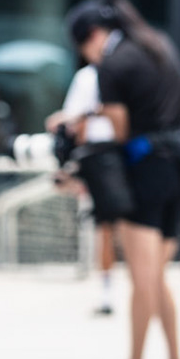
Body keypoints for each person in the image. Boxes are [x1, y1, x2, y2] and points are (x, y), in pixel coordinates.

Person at [64, 0, 180, 359]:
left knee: (142, 277)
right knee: (156, 275)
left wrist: (84, 118)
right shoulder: (158, 46)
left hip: (145, 170)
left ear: (92, 36)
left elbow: (120, 127)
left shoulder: (114, 64)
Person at [46, 52, 120, 316]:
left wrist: (72, 162)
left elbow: (75, 124)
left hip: (101, 158)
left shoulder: (88, 77)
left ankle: (109, 293)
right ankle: (113, 292)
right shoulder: (106, 74)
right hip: (125, 153)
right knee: (114, 229)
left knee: (107, 229)